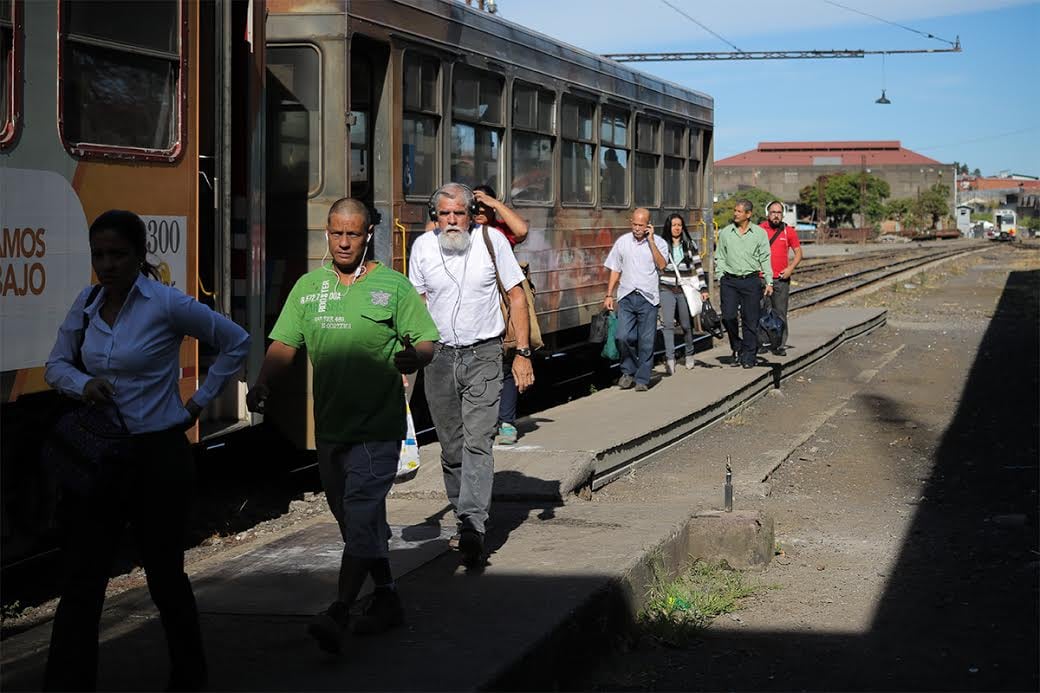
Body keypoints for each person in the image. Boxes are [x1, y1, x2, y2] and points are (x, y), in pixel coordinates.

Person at [43, 209, 250, 691]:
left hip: (158, 457)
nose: (107, 265)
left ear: (139, 256)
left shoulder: (166, 303)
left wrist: (197, 403)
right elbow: (56, 365)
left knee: (164, 576)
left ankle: (189, 678)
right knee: (83, 578)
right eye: (99, 255)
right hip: (101, 456)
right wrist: (83, 383)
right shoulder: (87, 303)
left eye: (117, 254)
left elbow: (235, 341)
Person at [245, 199, 439, 653]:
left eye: (353, 234)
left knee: (362, 512)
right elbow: (284, 343)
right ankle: (387, 597)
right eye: (337, 234)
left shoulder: (393, 286)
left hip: (377, 427)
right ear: (327, 233)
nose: (344, 242)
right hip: (331, 428)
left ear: (368, 234)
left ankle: (339, 611)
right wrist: (263, 383)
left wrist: (415, 356)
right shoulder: (308, 288)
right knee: (355, 523)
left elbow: (427, 340)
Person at [408, 182, 534, 566]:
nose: (451, 220)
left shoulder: (492, 241)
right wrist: (409, 355)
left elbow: (516, 295)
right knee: (451, 446)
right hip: (438, 358)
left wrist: (522, 353)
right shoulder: (422, 248)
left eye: (458, 213)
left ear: (470, 215)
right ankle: (464, 516)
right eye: (444, 214)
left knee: (478, 441)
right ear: (436, 216)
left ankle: (472, 527)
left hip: (484, 354)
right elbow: (417, 303)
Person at [472, 184, 530, 446]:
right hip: (475, 306)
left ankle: (506, 422)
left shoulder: (499, 231)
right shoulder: (463, 231)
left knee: (505, 361)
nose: (479, 211)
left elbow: (522, 230)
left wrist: (494, 203)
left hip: (502, 304)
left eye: (484, 207)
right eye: (475, 206)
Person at [602, 207, 668, 391]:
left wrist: (651, 241)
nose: (637, 228)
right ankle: (628, 371)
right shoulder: (622, 242)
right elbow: (615, 269)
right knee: (622, 336)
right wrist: (609, 294)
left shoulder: (659, 243)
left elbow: (662, 265)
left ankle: (642, 379)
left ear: (648, 225)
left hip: (648, 298)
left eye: (641, 225)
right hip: (626, 296)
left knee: (646, 341)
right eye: (635, 224)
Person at [715, 199, 773, 369]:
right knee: (728, 316)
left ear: (748, 214)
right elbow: (720, 256)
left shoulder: (759, 234)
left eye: (739, 211)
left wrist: (769, 281)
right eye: (735, 210)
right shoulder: (726, 233)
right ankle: (737, 345)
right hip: (730, 281)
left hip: (751, 281)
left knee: (750, 320)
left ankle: (749, 355)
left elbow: (765, 258)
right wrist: (720, 275)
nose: (735, 214)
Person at [658, 213, 709, 374]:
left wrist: (703, 289)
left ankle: (689, 353)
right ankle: (670, 358)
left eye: (679, 225)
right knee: (667, 324)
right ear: (668, 227)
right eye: (674, 225)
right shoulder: (662, 245)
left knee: (686, 325)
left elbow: (699, 268)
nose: (677, 228)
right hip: (666, 288)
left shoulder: (689, 244)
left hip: (684, 290)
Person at [759, 201, 802, 355]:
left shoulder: (788, 231)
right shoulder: (759, 230)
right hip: (762, 278)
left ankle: (779, 345)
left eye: (778, 212)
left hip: (781, 279)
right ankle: (762, 342)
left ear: (782, 215)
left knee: (780, 313)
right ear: (767, 214)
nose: (776, 215)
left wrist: (790, 268)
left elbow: (798, 253)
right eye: (773, 212)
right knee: (762, 311)